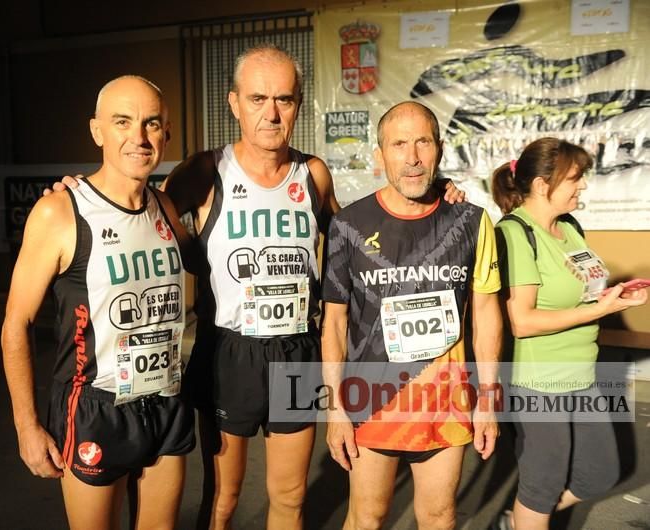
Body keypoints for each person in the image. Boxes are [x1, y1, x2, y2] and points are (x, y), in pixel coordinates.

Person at [52, 44, 466, 530]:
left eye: (285, 100)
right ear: (234, 103)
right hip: (229, 353)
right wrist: (81, 192)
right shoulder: (206, 169)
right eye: (257, 98)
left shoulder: (311, 173)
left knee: (289, 497)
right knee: (223, 499)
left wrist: (438, 197)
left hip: (296, 350)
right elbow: (139, 211)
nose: (271, 113)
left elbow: (356, 239)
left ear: (297, 105)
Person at [1, 76, 195, 530]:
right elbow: (16, 324)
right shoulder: (60, 211)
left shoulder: (164, 207)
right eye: (123, 122)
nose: (139, 138)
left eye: (152, 123)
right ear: (97, 131)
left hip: (165, 399)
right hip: (95, 406)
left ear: (166, 132)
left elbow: (211, 265)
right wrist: (26, 427)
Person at [321, 101, 502, 530]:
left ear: (439, 149)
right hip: (371, 399)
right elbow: (333, 322)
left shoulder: (472, 222)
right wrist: (333, 408)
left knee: (440, 516)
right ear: (379, 155)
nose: (413, 157)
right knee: (368, 517)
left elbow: (488, 315)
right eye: (398, 144)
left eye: (423, 142)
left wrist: (489, 399)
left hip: (446, 399)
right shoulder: (348, 225)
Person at [491, 137, 647, 529]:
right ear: (543, 185)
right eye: (574, 178)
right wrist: (598, 310)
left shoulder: (570, 228)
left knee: (600, 472)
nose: (582, 185)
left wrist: (615, 297)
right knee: (541, 489)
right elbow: (521, 322)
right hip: (538, 382)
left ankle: (515, 522)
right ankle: (525, 518)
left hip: (582, 374)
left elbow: (581, 293)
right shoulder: (515, 234)